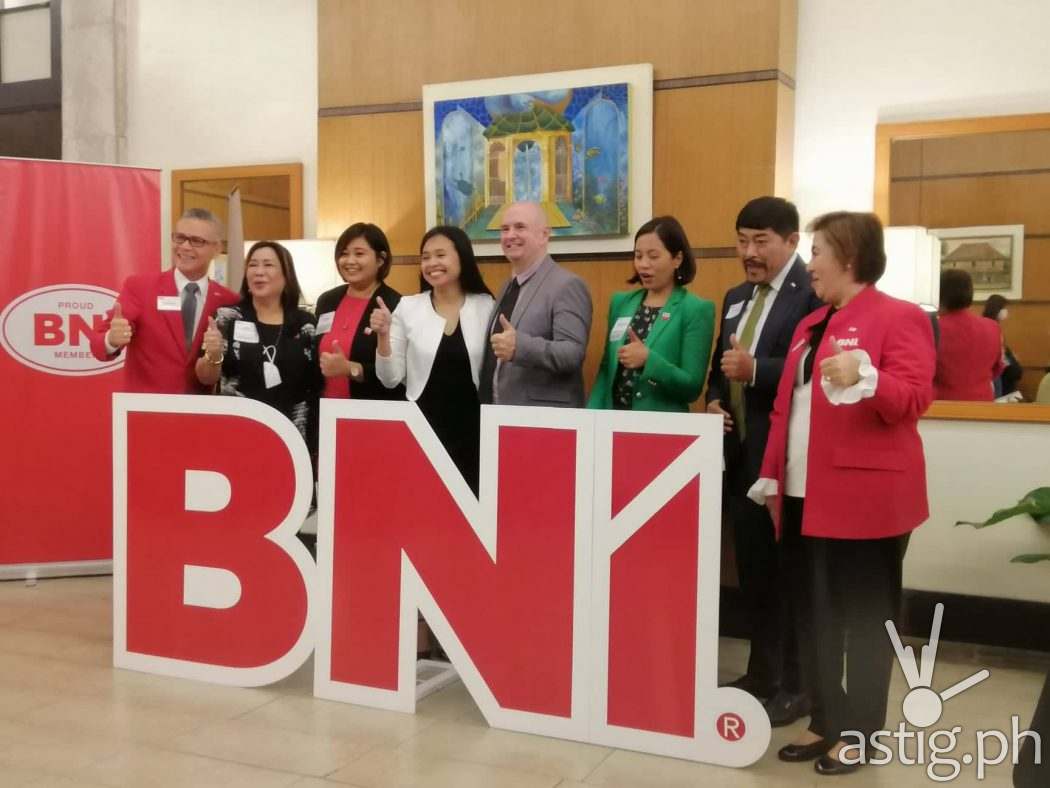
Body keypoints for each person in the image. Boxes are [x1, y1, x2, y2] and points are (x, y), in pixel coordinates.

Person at [749, 212, 936, 776]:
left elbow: (914, 398)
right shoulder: (810, 324)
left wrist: (868, 377)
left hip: (867, 500)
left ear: (849, 257)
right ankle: (827, 717)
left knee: (866, 617)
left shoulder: (899, 317)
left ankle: (862, 731)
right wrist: (771, 473)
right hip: (803, 494)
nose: (810, 264)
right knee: (812, 614)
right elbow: (786, 410)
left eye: (817, 251)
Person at [705, 196, 822, 725]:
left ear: (791, 241)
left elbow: (812, 368)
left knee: (787, 576)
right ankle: (761, 673)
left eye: (761, 242)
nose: (749, 253)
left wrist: (756, 370)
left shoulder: (810, 293)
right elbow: (719, 367)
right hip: (739, 457)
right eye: (741, 241)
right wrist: (714, 400)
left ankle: (797, 685)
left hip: (785, 459)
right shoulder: (736, 296)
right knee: (752, 570)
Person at [371, 226, 495, 493]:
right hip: (423, 424)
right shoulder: (408, 306)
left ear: (462, 257)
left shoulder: (486, 305)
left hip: (475, 426)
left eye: (440, 255)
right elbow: (390, 379)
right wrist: (383, 336)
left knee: (474, 499)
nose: (431, 263)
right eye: (425, 257)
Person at [90, 208, 239, 392]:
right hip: (147, 406)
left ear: (217, 248)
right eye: (180, 238)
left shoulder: (228, 301)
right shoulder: (140, 288)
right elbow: (97, 346)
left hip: (200, 407)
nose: (185, 246)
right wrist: (111, 340)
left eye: (197, 241)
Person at [194, 241, 321, 445]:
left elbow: (316, 384)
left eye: (268, 265)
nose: (259, 272)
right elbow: (206, 378)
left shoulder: (306, 324)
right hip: (237, 432)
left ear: (286, 275)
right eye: (253, 265)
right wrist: (213, 354)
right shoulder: (228, 318)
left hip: (294, 437)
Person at [587, 216, 714, 411]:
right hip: (613, 420)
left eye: (653, 257)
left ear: (677, 259)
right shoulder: (621, 303)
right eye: (638, 256)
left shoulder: (695, 309)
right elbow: (606, 370)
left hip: (660, 424)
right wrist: (592, 416)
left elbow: (692, 388)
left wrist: (649, 361)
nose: (643, 264)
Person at [478, 201, 592, 407]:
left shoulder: (567, 285)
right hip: (498, 413)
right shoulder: (507, 286)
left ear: (544, 235)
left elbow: (572, 353)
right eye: (504, 229)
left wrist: (520, 347)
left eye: (520, 227)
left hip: (542, 418)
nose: (510, 235)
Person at [314, 223, 404, 400]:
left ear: (380, 259)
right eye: (344, 254)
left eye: (359, 254)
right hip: (325, 408)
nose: (349, 261)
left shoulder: (394, 304)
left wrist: (349, 369)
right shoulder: (327, 301)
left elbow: (396, 375)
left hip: (370, 408)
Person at [933, 269, 1003, 401]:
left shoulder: (931, 328)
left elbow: (922, 371)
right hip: (983, 405)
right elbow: (997, 369)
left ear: (939, 294)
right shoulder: (993, 327)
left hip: (942, 406)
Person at [982, 294, 1023, 398]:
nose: (1006, 311)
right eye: (1004, 308)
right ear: (997, 309)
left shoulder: (992, 325)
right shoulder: (990, 326)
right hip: (994, 372)